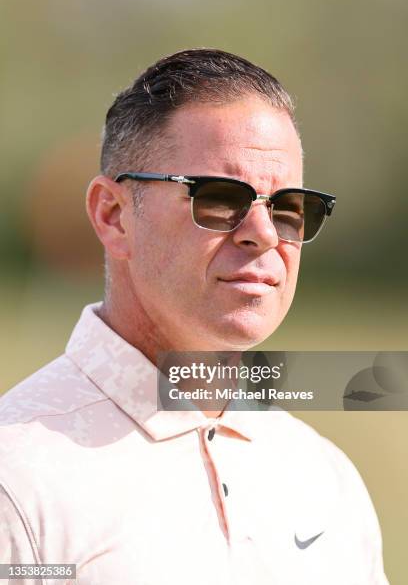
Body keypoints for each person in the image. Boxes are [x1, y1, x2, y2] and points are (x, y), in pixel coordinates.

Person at [0, 49, 388, 584]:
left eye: (289, 206)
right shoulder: (17, 479)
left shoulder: (326, 478)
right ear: (113, 216)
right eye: (219, 198)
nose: (266, 233)